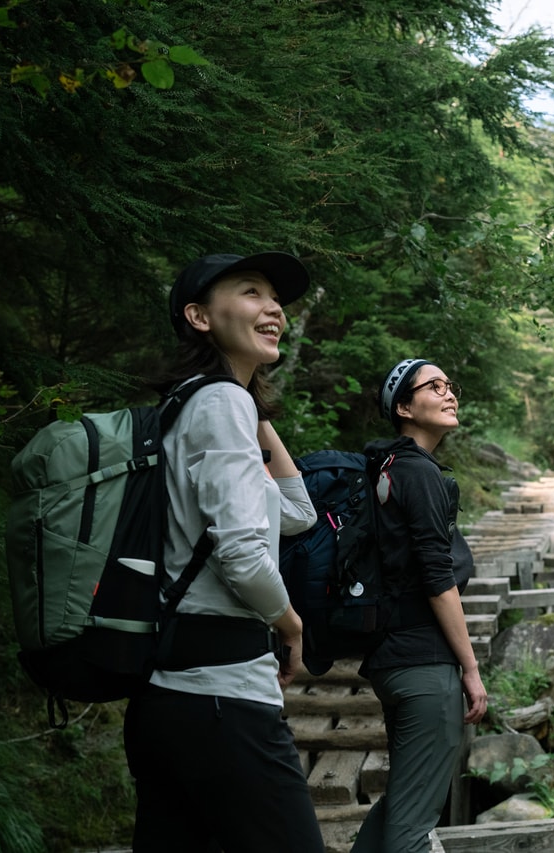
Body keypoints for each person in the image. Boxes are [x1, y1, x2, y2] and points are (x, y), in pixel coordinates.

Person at [123, 252, 325, 853]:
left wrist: (251, 405)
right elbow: (241, 554)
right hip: (222, 705)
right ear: (199, 316)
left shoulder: (203, 404)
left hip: (171, 702)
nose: (274, 308)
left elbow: (298, 514)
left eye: (276, 298)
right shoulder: (217, 404)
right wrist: (289, 624)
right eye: (251, 292)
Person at [351, 358, 489, 853]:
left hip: (393, 659)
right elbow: (437, 578)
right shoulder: (419, 472)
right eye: (434, 387)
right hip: (425, 665)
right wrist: (469, 668)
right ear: (405, 407)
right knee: (412, 831)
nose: (450, 394)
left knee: (403, 804)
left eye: (450, 385)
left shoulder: (387, 468)